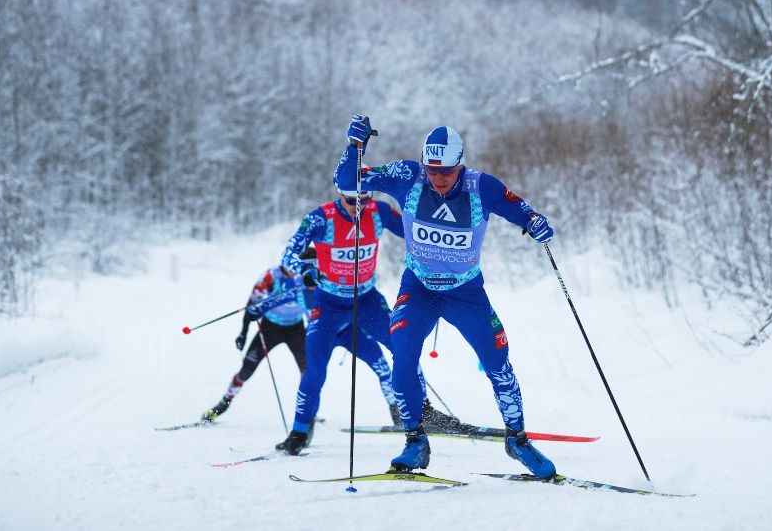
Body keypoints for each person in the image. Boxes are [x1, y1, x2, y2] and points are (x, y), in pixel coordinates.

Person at [338, 115, 558, 479]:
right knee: (403, 354)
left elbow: (517, 207)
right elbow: (347, 181)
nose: (438, 178)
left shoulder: (481, 187)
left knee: (498, 362)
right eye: (432, 170)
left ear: (461, 164)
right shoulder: (408, 176)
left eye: (446, 171)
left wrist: (534, 222)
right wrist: (355, 147)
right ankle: (414, 442)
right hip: (419, 288)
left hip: (465, 292)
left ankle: (517, 440)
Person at [276, 186, 458, 455]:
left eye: (364, 199)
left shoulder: (379, 212)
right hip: (328, 305)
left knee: (404, 348)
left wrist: (438, 251)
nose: (358, 207)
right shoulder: (320, 218)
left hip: (367, 300)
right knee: (315, 369)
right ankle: (300, 431)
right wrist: (306, 269)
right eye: (351, 201)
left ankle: (422, 412)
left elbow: (416, 232)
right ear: (339, 195)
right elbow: (288, 254)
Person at [200, 247, 318, 423]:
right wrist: (243, 333)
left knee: (308, 370)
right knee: (247, 369)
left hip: (296, 329)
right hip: (270, 328)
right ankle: (224, 403)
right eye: (294, 266)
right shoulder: (271, 276)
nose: (296, 272)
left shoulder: (308, 278)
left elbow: (315, 307)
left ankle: (308, 411)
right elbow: (251, 306)